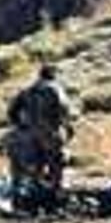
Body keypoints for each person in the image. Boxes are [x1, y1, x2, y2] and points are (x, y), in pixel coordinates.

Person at [7, 64, 76, 196]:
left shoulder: (27, 91)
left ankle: (35, 194)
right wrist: (67, 127)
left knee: (36, 165)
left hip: (30, 134)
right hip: (51, 132)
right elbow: (64, 109)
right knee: (56, 163)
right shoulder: (54, 89)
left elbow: (11, 111)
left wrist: (21, 126)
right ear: (53, 75)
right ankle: (56, 193)